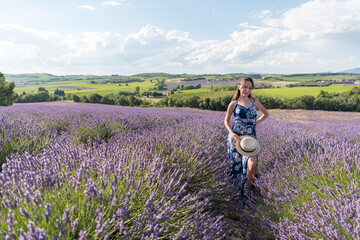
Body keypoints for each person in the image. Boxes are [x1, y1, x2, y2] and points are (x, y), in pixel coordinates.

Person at [224, 77, 269, 198]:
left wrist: (256, 122)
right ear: (239, 87)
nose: (247, 90)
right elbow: (226, 122)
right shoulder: (233, 104)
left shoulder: (254, 102)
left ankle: (247, 192)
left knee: (252, 164)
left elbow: (266, 113)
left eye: (250, 88)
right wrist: (232, 133)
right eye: (245, 87)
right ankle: (234, 193)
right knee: (235, 166)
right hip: (236, 138)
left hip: (250, 138)